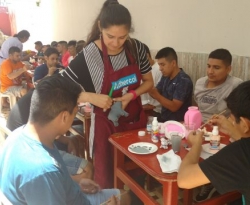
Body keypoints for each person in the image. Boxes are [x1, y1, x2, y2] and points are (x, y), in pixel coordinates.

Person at [0, 76, 130, 205]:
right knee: (125, 198)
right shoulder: (43, 172)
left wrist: (76, 182)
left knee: (124, 196)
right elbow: (46, 181)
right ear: (64, 117)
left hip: (70, 194)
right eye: (75, 113)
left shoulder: (20, 134)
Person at [61, 0, 153, 189]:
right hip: (105, 127)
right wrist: (91, 97)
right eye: (110, 36)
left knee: (137, 175)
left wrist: (132, 95)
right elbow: (61, 90)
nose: (116, 43)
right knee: (106, 178)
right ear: (100, 27)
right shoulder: (89, 55)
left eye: (122, 37)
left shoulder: (136, 48)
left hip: (134, 122)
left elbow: (149, 82)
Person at [6, 89, 93, 183]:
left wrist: (67, 141)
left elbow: (48, 130)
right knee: (87, 169)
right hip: (29, 153)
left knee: (70, 143)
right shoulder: (50, 102)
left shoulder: (43, 95)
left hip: (17, 144)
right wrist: (72, 180)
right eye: (74, 113)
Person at [193, 48, 242, 202]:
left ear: (229, 69)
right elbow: (197, 107)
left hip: (223, 130)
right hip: (200, 125)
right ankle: (194, 176)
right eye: (208, 66)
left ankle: (210, 182)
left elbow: (239, 114)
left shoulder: (236, 85)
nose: (210, 71)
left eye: (216, 67)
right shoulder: (200, 82)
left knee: (213, 154)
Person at [0, 30, 32, 113]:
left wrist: (28, 69)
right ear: (10, 55)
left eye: (20, 55)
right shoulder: (6, 63)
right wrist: (23, 69)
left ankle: (6, 103)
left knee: (30, 87)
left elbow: (24, 70)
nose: (19, 57)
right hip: (7, 87)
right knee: (23, 90)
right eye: (17, 56)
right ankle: (24, 111)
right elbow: (11, 76)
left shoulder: (18, 61)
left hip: (14, 82)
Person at [148, 47, 193, 122]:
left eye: (163, 65)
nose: (160, 68)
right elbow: (156, 91)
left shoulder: (183, 80)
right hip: (164, 119)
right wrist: (148, 87)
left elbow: (174, 107)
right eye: (159, 65)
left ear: (173, 63)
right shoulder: (166, 76)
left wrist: (156, 94)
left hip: (178, 122)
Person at [140, 44, 162, 115]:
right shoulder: (137, 69)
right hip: (142, 108)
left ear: (146, 56)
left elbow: (160, 95)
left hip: (154, 111)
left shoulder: (159, 69)